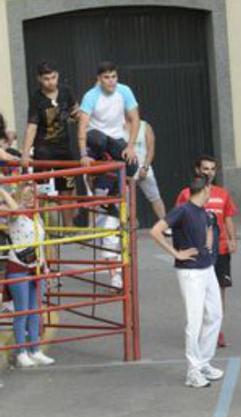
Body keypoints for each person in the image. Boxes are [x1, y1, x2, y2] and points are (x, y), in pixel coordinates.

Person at [148, 176, 223, 389]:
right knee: (195, 320)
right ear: (206, 189)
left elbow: (208, 230)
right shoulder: (183, 210)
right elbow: (156, 231)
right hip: (190, 272)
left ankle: (203, 362)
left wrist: (207, 248)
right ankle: (193, 371)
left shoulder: (204, 213)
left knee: (215, 315)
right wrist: (176, 254)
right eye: (211, 189)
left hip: (207, 269)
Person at [175, 155, 239, 348]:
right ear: (198, 170)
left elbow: (228, 218)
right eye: (205, 169)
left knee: (219, 291)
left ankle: (216, 329)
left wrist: (232, 239)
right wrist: (180, 248)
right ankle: (197, 329)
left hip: (219, 250)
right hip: (196, 252)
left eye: (212, 169)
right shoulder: (186, 194)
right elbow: (178, 220)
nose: (209, 172)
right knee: (197, 292)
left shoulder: (223, 193)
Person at [1, 183, 53, 368]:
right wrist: (3, 191)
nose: (30, 199)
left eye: (32, 195)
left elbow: (41, 243)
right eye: (25, 196)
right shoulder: (14, 215)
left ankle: (35, 350)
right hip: (19, 268)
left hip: (36, 267)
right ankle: (21, 351)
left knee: (34, 311)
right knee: (22, 311)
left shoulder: (37, 216)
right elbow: (14, 209)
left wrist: (45, 268)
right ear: (17, 198)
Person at [77, 61, 139, 198]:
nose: (111, 81)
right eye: (106, 77)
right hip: (95, 137)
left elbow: (135, 119)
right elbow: (82, 125)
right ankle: (95, 173)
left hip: (115, 138)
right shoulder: (91, 95)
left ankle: (111, 194)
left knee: (133, 165)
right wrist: (83, 154)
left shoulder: (124, 91)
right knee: (100, 139)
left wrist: (130, 147)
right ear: (99, 79)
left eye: (113, 77)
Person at [21, 61, 79, 197]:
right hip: (43, 150)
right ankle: (40, 218)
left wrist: (79, 115)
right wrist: (25, 153)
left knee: (67, 191)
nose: (50, 82)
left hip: (64, 149)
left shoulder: (66, 91)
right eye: (46, 79)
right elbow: (31, 127)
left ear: (57, 76)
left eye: (53, 77)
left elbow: (76, 110)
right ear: (39, 79)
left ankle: (68, 220)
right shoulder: (37, 98)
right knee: (42, 191)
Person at [128, 118, 166, 221]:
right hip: (127, 171)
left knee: (155, 197)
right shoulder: (119, 126)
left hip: (144, 168)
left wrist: (145, 167)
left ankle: (165, 225)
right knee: (124, 201)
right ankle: (128, 228)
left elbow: (151, 149)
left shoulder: (145, 126)